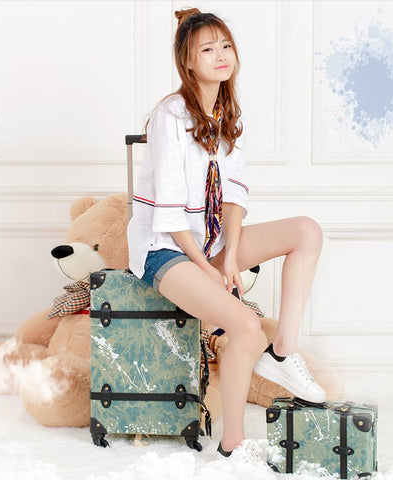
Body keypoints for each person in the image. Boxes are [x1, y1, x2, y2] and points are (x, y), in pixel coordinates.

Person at [127, 7, 326, 457]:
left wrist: (231, 255)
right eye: (207, 49)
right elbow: (170, 213)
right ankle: (233, 444)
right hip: (166, 249)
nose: (221, 55)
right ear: (187, 61)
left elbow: (233, 195)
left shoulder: (229, 113)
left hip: (211, 242)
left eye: (226, 46)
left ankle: (282, 353)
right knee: (245, 324)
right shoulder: (170, 116)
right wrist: (209, 271)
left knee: (306, 231)